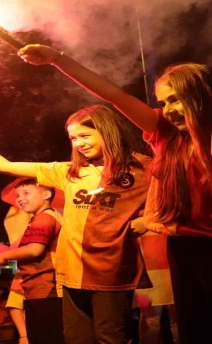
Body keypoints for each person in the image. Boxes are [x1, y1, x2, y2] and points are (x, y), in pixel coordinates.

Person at [18, 44, 211, 344]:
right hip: (184, 249)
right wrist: (58, 59)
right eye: (163, 102)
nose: (169, 109)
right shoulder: (166, 135)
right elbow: (115, 96)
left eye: (177, 99)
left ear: (202, 95)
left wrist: (153, 221)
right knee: (195, 330)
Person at [0, 104, 152, 344]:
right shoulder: (69, 172)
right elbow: (4, 166)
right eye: (73, 138)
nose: (79, 143)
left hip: (112, 273)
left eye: (85, 135)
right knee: (76, 339)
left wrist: (147, 221)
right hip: (72, 274)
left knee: (110, 338)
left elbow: (174, 204)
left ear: (107, 131)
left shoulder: (143, 169)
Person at [0, 178, 64, 344]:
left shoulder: (43, 218)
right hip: (45, 289)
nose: (20, 199)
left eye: (26, 193)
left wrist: (4, 257)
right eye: (18, 195)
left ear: (46, 194)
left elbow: (34, 249)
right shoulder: (51, 216)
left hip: (47, 289)